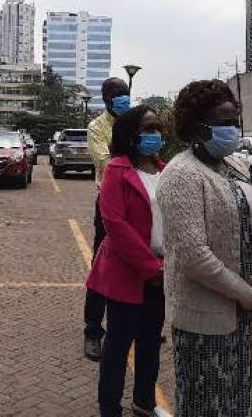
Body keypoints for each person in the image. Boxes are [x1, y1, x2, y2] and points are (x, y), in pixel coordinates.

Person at [157, 80, 252, 417]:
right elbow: (194, 256)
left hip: (240, 313)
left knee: (236, 401)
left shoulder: (235, 165)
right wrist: (249, 295)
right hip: (203, 318)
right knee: (206, 406)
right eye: (223, 123)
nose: (232, 130)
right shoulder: (181, 175)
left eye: (234, 121)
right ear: (195, 127)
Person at [86, 105, 166, 417]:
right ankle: (110, 409)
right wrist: (150, 268)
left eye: (158, 128)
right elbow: (115, 225)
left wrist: (164, 266)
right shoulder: (117, 171)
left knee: (150, 345)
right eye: (148, 129)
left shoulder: (165, 170)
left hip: (160, 272)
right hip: (127, 274)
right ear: (131, 134)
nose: (155, 134)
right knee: (117, 348)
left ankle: (144, 404)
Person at [84, 77, 131, 361]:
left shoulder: (137, 122)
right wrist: (127, 146)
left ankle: (136, 322)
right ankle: (92, 330)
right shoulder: (97, 127)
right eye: (117, 95)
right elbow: (106, 162)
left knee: (138, 259)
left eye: (125, 94)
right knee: (102, 263)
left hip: (136, 200)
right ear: (106, 99)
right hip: (110, 200)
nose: (122, 99)